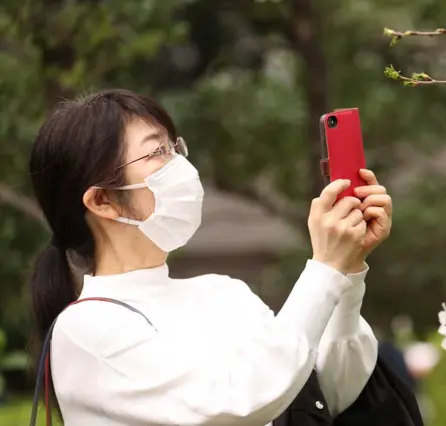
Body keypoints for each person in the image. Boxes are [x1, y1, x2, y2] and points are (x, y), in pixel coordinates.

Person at [28, 89, 422, 426]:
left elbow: (332, 389)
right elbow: (235, 404)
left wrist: (348, 268)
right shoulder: (86, 329)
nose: (179, 165)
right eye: (156, 153)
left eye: (174, 146)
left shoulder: (222, 293)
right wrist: (325, 268)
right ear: (102, 201)